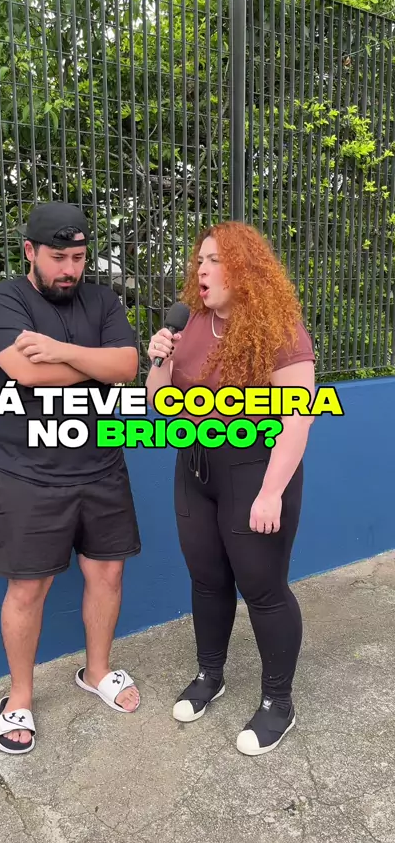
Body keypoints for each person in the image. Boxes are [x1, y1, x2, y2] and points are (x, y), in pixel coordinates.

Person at [0, 201, 142, 755]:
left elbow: (127, 367)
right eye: (57, 258)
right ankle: (20, 697)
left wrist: (60, 352)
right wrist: (92, 364)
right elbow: (26, 373)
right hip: (29, 473)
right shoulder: (5, 300)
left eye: (78, 257)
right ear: (30, 251)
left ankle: (97, 672)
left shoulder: (103, 300)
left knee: (108, 575)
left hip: (102, 465)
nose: (69, 269)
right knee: (29, 588)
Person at [145, 221, 316, 757]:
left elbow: (298, 418)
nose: (202, 269)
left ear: (243, 270)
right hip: (195, 468)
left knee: (263, 588)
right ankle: (210, 675)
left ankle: (278, 703)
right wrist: (159, 361)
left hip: (255, 471)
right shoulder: (189, 324)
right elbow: (159, 404)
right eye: (200, 260)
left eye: (215, 260)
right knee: (207, 579)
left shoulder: (280, 330)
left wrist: (271, 492)